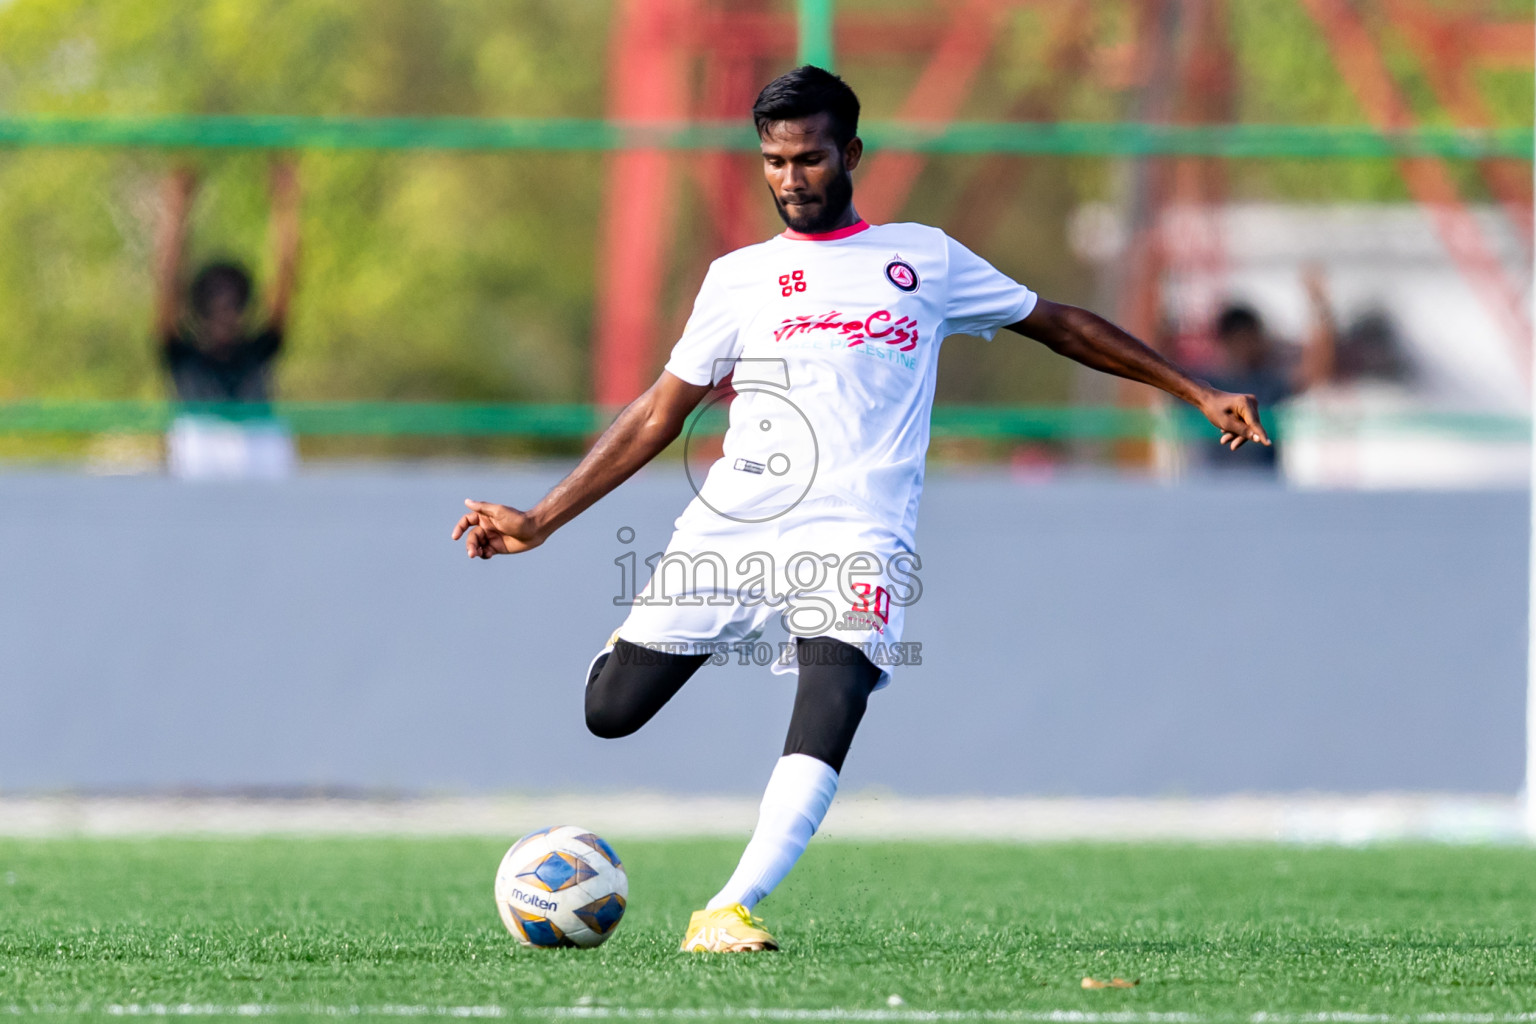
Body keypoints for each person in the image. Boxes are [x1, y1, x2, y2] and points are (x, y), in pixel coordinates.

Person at [451, 67, 1269, 953]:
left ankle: (729, 907)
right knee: (610, 711)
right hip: (735, 523)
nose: (791, 179)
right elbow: (659, 413)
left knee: (834, 691)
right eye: (774, 162)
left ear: (852, 155)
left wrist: (1192, 390)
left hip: (858, 532)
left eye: (809, 159)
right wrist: (540, 519)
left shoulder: (924, 260)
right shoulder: (740, 279)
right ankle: (657, 657)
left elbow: (1059, 322)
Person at [154, 162, 300, 478]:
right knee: (191, 434)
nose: (224, 311)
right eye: (215, 302)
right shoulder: (184, 355)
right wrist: (176, 212)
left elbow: (286, 275)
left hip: (257, 457)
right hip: (201, 456)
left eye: (232, 302)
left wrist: (286, 205)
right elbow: (167, 282)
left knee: (268, 436)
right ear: (201, 308)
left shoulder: (257, 350)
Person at [1202, 269, 1334, 473]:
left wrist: (1319, 305)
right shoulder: (1207, 385)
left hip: (1262, 484)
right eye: (1252, 337)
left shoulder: (1266, 383)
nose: (1258, 344)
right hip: (1215, 485)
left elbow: (1315, 371)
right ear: (1233, 340)